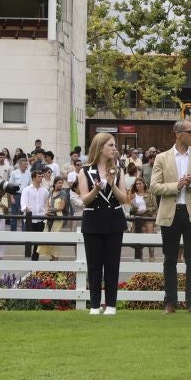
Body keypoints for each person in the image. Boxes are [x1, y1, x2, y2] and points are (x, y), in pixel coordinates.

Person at [150, 119, 191, 314]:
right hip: (171, 212)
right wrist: (175, 186)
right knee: (170, 259)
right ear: (178, 133)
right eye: (190, 131)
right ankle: (170, 302)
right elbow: (154, 186)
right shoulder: (162, 158)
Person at [78, 130, 132, 315]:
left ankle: (111, 305)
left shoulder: (118, 170)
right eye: (111, 145)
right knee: (94, 266)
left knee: (112, 264)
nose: (114, 149)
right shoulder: (85, 170)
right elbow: (84, 199)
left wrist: (113, 184)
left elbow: (124, 199)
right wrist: (96, 189)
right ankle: (94, 305)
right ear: (100, 148)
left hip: (114, 221)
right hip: (93, 221)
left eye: (114, 145)